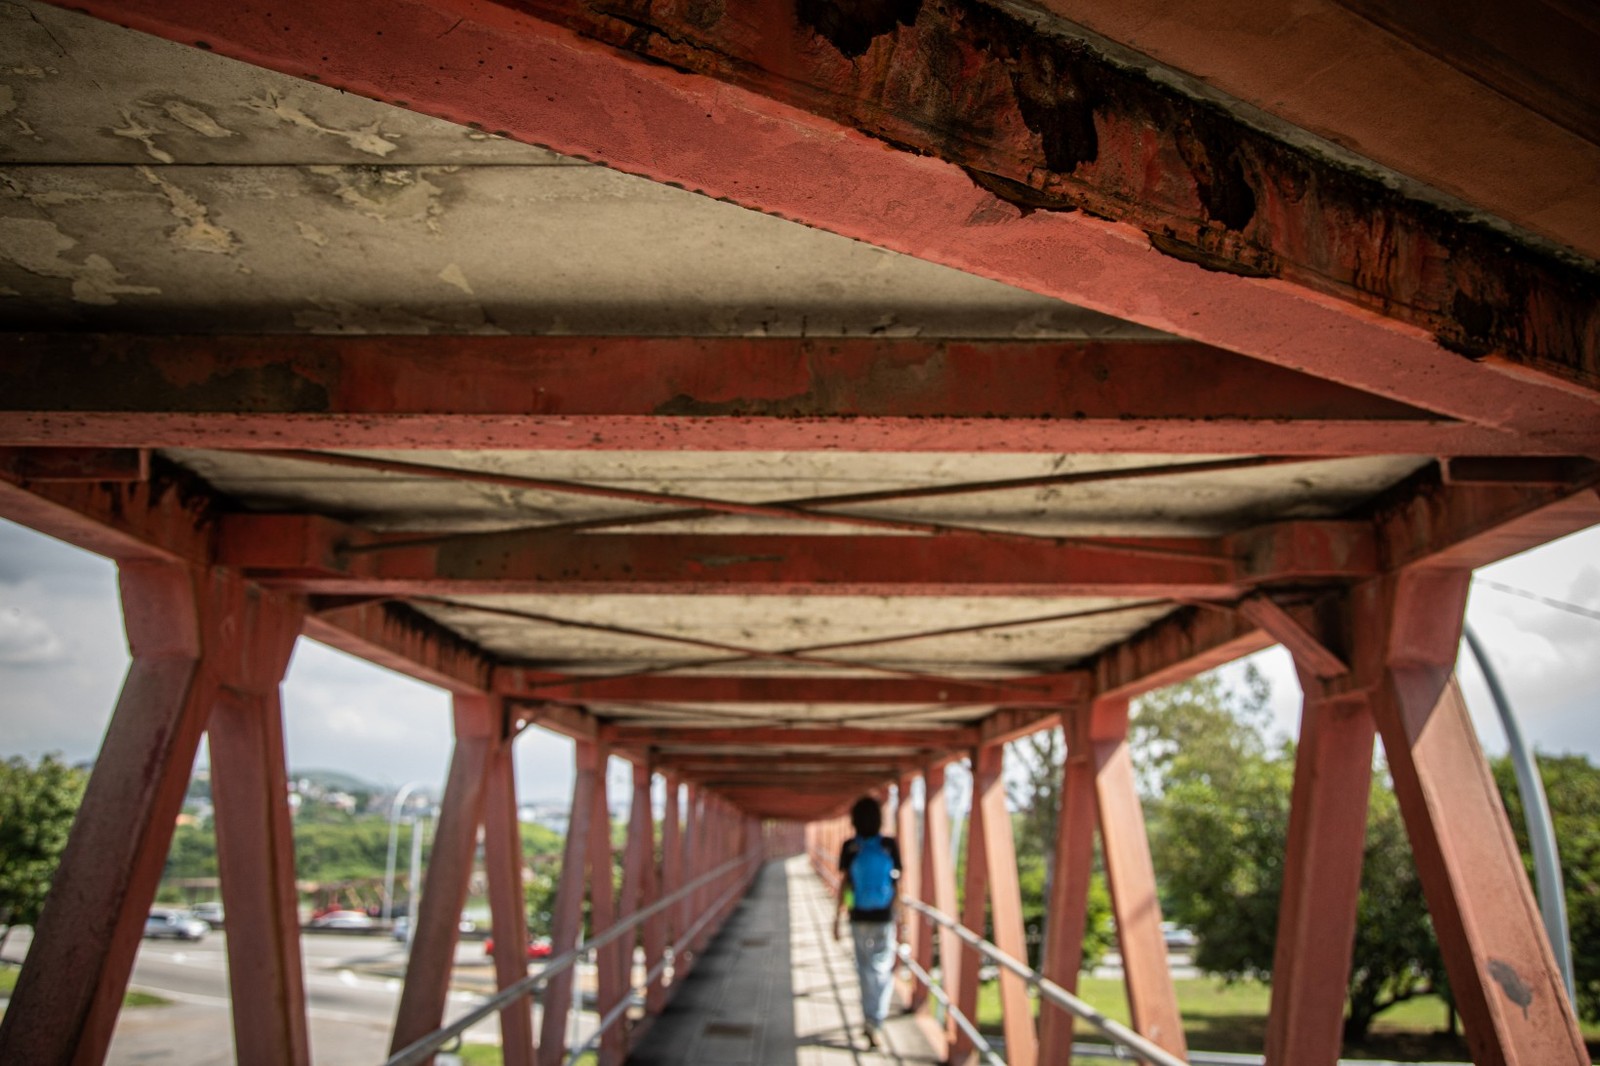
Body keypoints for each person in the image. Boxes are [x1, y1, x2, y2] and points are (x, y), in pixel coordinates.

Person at [832, 795, 903, 1049]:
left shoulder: (850, 846)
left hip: (858, 915)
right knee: (883, 968)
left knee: (864, 969)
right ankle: (876, 1020)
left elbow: (844, 884)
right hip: (884, 916)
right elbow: (896, 884)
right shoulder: (888, 844)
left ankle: (868, 1018)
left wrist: (836, 918)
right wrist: (900, 915)